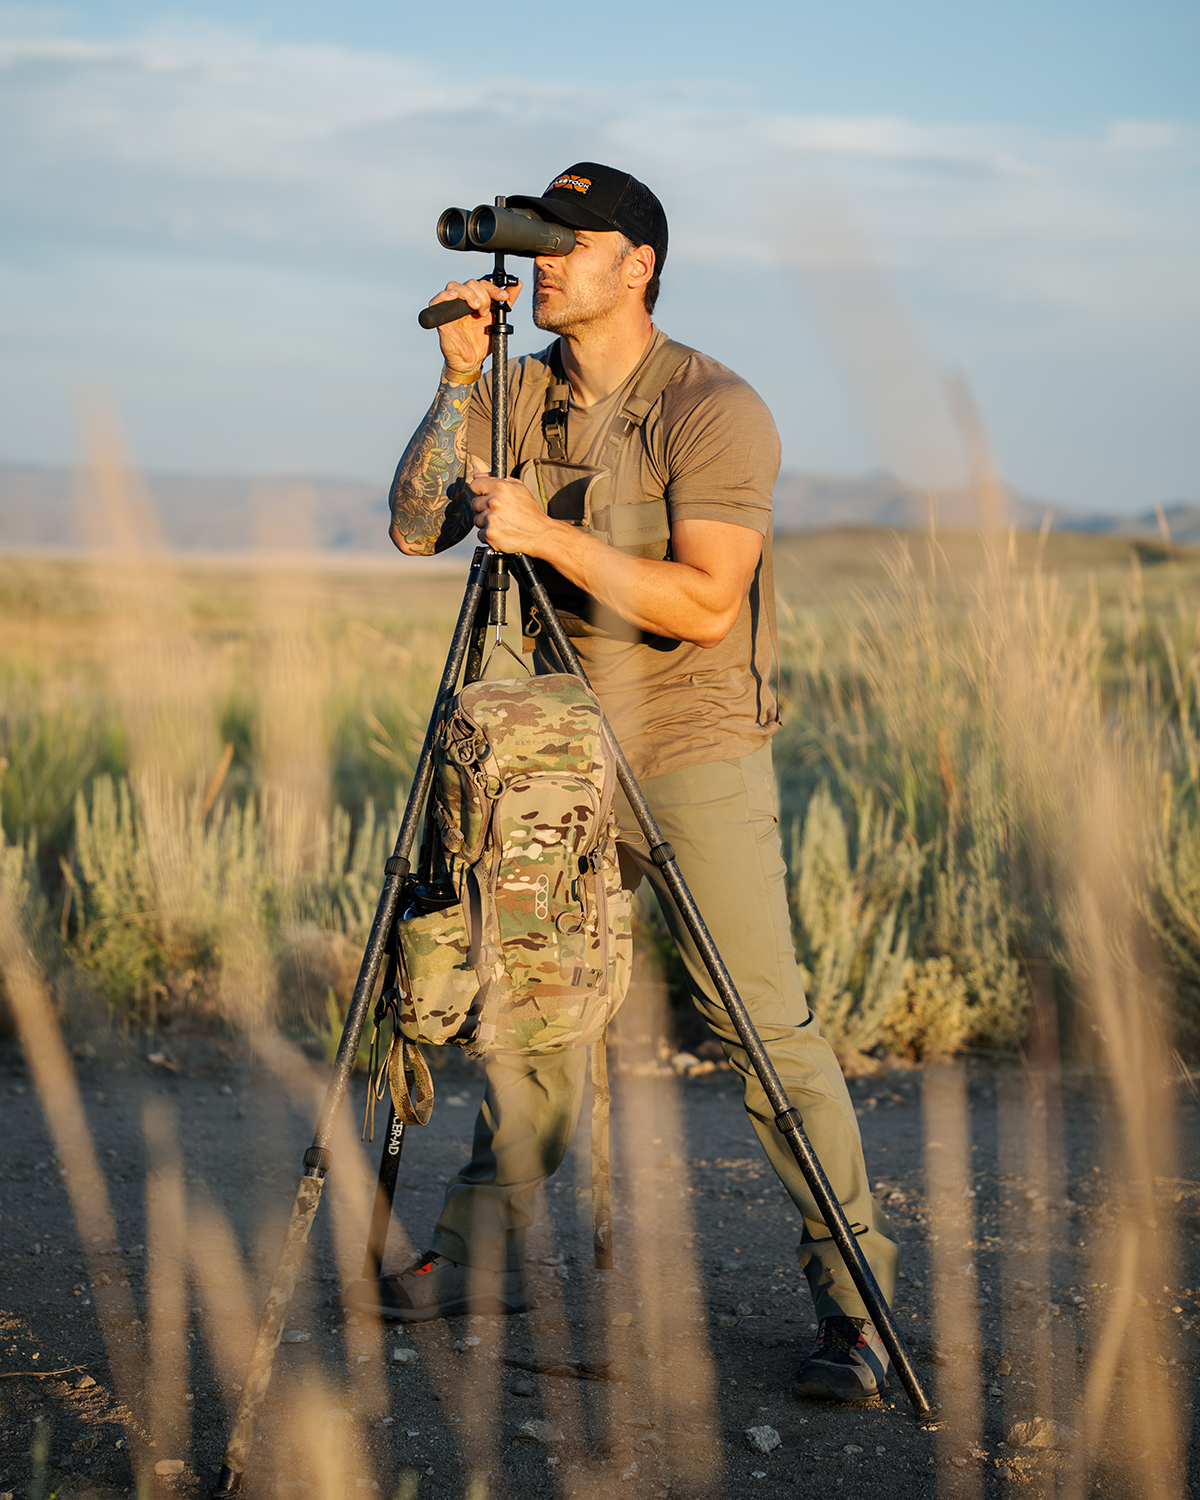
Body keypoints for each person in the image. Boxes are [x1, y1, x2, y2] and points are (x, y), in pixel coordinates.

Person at [348, 162, 898, 1403]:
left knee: (761, 1031)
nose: (541, 259)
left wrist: (549, 537)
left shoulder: (711, 405)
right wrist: (456, 385)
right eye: (534, 240)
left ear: (636, 263)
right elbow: (413, 525)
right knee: (535, 1017)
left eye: (568, 241)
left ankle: (858, 1312)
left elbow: (705, 604)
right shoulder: (519, 392)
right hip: (546, 752)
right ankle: (483, 1262)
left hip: (691, 745)